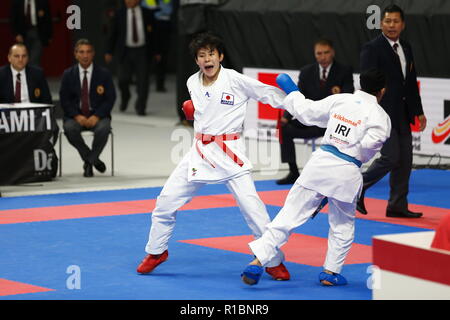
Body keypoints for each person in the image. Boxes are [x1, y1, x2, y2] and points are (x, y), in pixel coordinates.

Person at [136, 32, 290, 281]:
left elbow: (266, 94)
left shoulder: (235, 80)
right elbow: (204, 110)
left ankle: (272, 260)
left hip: (231, 154)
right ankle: (157, 251)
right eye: (201, 55)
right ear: (196, 60)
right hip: (200, 153)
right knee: (165, 202)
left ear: (220, 56)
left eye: (211, 54)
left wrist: (296, 101)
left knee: (255, 211)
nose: (207, 59)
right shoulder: (191, 82)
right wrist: (193, 112)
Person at [241, 69, 391, 286]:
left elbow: (307, 112)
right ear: (382, 91)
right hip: (347, 171)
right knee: (342, 225)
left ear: (360, 83)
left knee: (288, 215)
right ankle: (331, 273)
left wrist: (293, 92)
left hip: (320, 164)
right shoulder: (380, 117)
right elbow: (370, 146)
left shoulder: (341, 100)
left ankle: (257, 261)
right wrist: (353, 142)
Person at [357, 4, 427, 218]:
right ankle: (357, 187)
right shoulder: (372, 48)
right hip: (381, 112)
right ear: (381, 23)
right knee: (390, 157)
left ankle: (397, 205)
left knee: (405, 161)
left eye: (396, 21)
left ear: (403, 24)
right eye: (387, 21)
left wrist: (419, 112)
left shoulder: (406, 47)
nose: (391, 25)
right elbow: (367, 80)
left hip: (404, 113)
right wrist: (370, 108)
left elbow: (410, 82)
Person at [277, 38, 354, 185]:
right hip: (310, 120)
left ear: (332, 53)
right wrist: (286, 117)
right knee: (284, 128)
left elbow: (348, 95)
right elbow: (297, 96)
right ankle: (293, 171)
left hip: (330, 124)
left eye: (326, 53)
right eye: (319, 53)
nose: (323, 57)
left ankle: (337, 174)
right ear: (315, 54)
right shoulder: (307, 72)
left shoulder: (344, 71)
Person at [59, 39, 116, 177]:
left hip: (98, 116)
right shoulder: (68, 74)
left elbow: (110, 98)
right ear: (75, 54)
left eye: (88, 52)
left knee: (104, 128)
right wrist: (77, 116)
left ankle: (89, 162)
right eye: (81, 52)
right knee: (69, 128)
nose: (85, 55)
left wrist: (97, 116)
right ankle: (93, 159)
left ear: (93, 54)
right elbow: (64, 99)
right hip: (75, 116)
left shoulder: (104, 74)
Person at [105, 0, 159, 116]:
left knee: (143, 80)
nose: (128, 1)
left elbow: (154, 34)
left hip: (142, 51)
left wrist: (157, 51)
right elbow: (113, 33)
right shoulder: (119, 14)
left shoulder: (147, 13)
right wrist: (109, 51)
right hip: (125, 51)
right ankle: (126, 96)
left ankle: (141, 107)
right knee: (122, 79)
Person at [10, 0, 53, 67]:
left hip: (37, 33)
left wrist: (49, 35)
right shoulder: (17, 2)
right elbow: (13, 18)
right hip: (22, 34)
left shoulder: (42, 2)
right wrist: (16, 34)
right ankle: (24, 76)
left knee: (35, 59)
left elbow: (48, 19)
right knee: (23, 58)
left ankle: (33, 77)